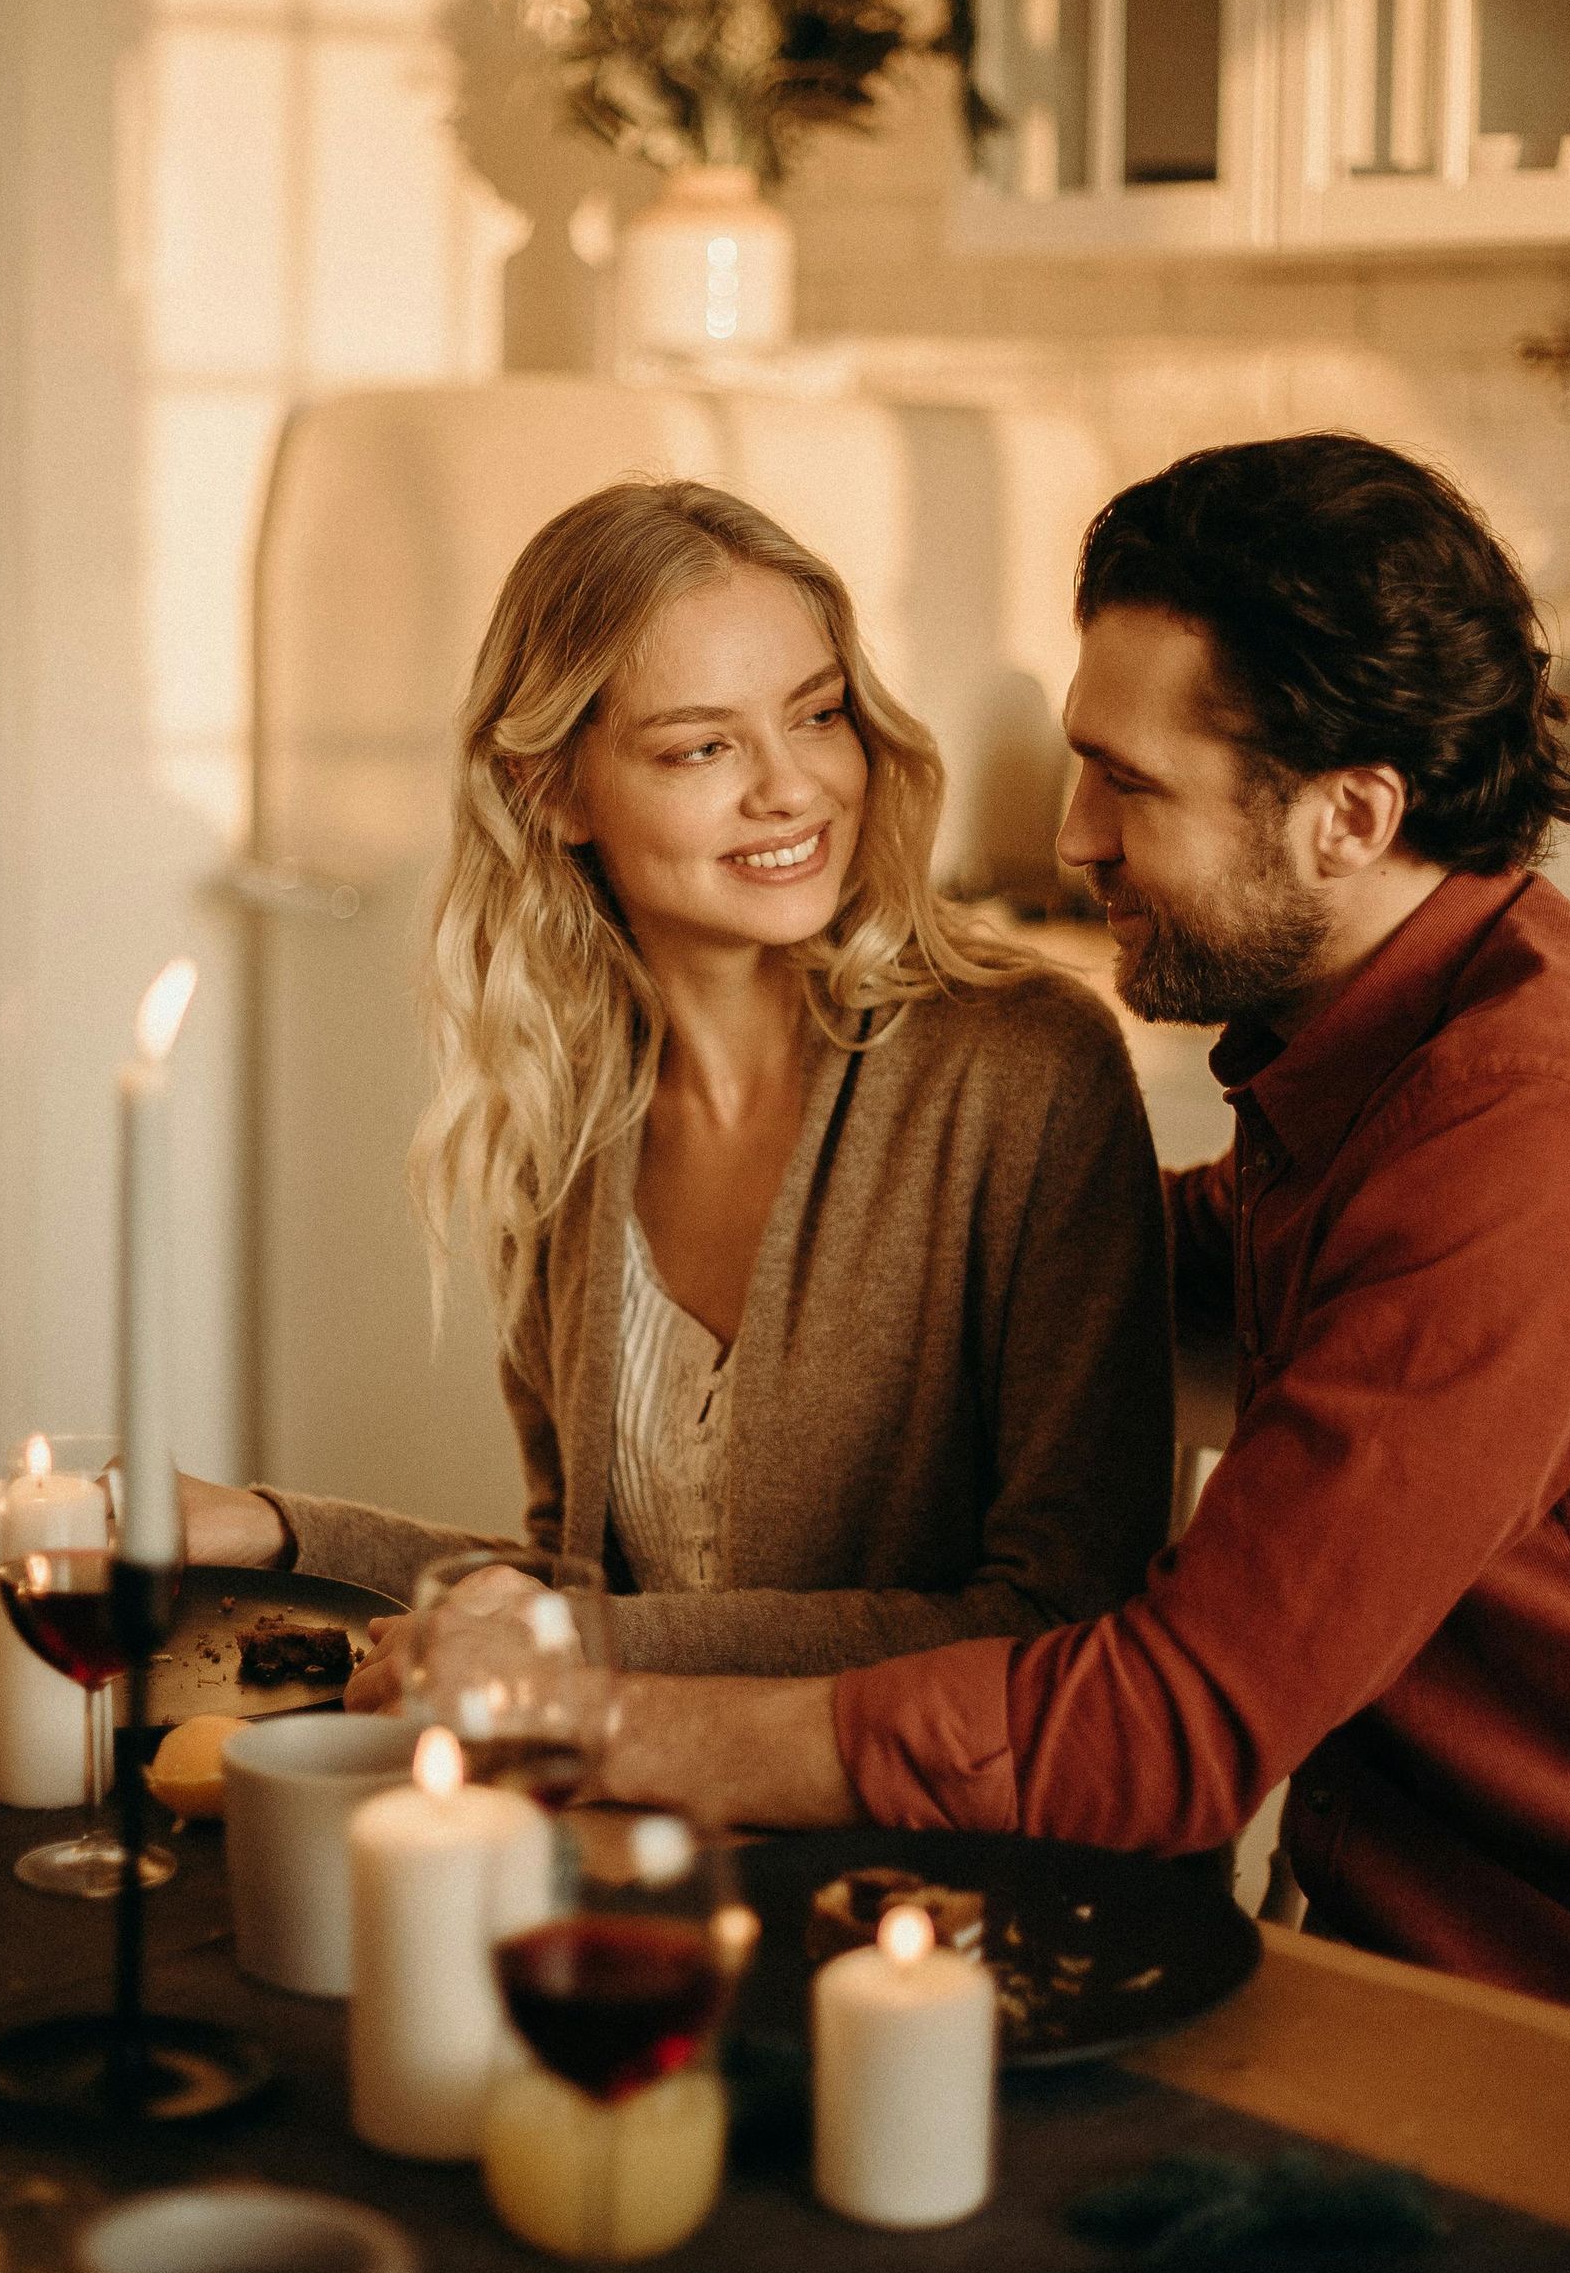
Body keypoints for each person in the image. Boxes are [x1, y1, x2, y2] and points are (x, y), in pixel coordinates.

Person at [574, 434, 1570, 2056]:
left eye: (1131, 781)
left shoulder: (1528, 1144)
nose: (1077, 834)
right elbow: (1129, 1260)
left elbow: (1172, 1725)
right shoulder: (1381, 1039)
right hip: (1399, 1942)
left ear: (1348, 813)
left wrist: (611, 1724)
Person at [190, 477, 1173, 1680]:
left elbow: (1059, 1620)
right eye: (702, 745)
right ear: (552, 791)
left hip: (923, 1857)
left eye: (816, 716)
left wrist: (565, 1636)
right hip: (652, 1821)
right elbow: (585, 1595)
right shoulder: (565, 1114)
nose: (791, 788)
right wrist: (276, 1533)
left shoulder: (1024, 1071)